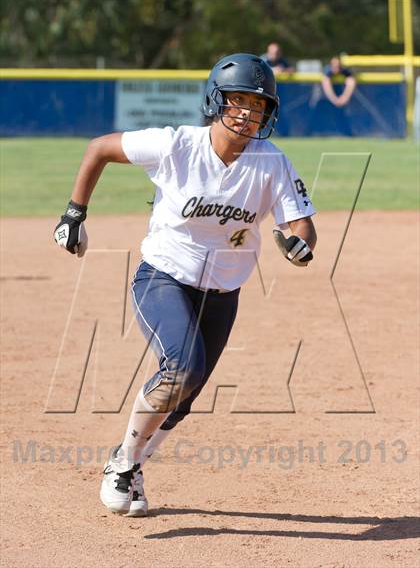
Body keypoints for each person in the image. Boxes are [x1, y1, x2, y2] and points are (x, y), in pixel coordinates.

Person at [53, 52, 317, 517]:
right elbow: (99, 148)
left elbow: (302, 226)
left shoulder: (272, 162)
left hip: (223, 293)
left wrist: (298, 246)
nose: (248, 112)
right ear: (217, 101)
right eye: (238, 100)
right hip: (163, 276)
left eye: (258, 105)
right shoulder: (176, 145)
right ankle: (122, 466)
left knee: (184, 398)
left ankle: (129, 463)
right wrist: (74, 214)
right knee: (182, 368)